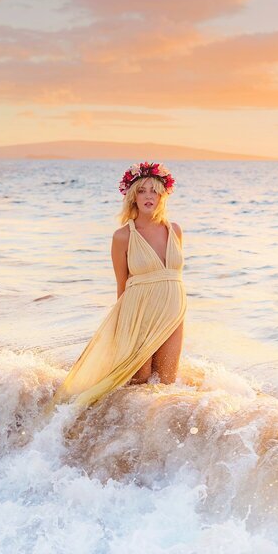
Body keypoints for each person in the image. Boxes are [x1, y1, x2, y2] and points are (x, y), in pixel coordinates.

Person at [46, 161, 187, 412]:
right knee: (138, 379)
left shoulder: (174, 230)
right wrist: (122, 327)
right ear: (132, 197)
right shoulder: (123, 236)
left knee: (166, 382)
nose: (148, 196)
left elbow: (173, 276)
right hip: (138, 312)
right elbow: (122, 286)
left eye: (154, 190)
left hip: (173, 310)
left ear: (162, 195)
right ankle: (116, 432)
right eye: (142, 191)